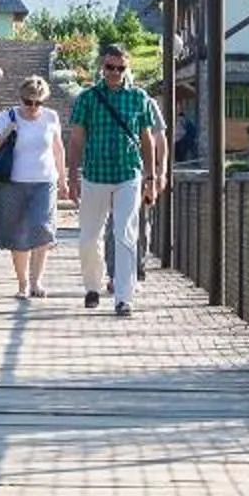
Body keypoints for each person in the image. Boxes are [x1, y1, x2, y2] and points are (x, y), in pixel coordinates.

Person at [66, 44, 165, 318]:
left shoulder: (138, 98)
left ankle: (124, 297)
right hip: (95, 174)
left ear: (127, 68)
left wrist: (151, 176)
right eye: (110, 67)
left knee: (125, 234)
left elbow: (147, 139)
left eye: (120, 68)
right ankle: (92, 286)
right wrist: (72, 174)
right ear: (102, 66)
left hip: (127, 174)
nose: (115, 73)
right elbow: (75, 139)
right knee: (89, 237)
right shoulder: (87, 98)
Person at [0, 75, 69, 300]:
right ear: (20, 98)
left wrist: (63, 180)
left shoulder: (51, 117)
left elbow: (58, 149)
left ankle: (36, 281)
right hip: (13, 182)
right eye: (28, 101)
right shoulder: (7, 116)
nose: (32, 107)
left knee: (41, 229)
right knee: (18, 234)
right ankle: (22, 283)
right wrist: (6, 133)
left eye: (38, 102)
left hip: (44, 181)